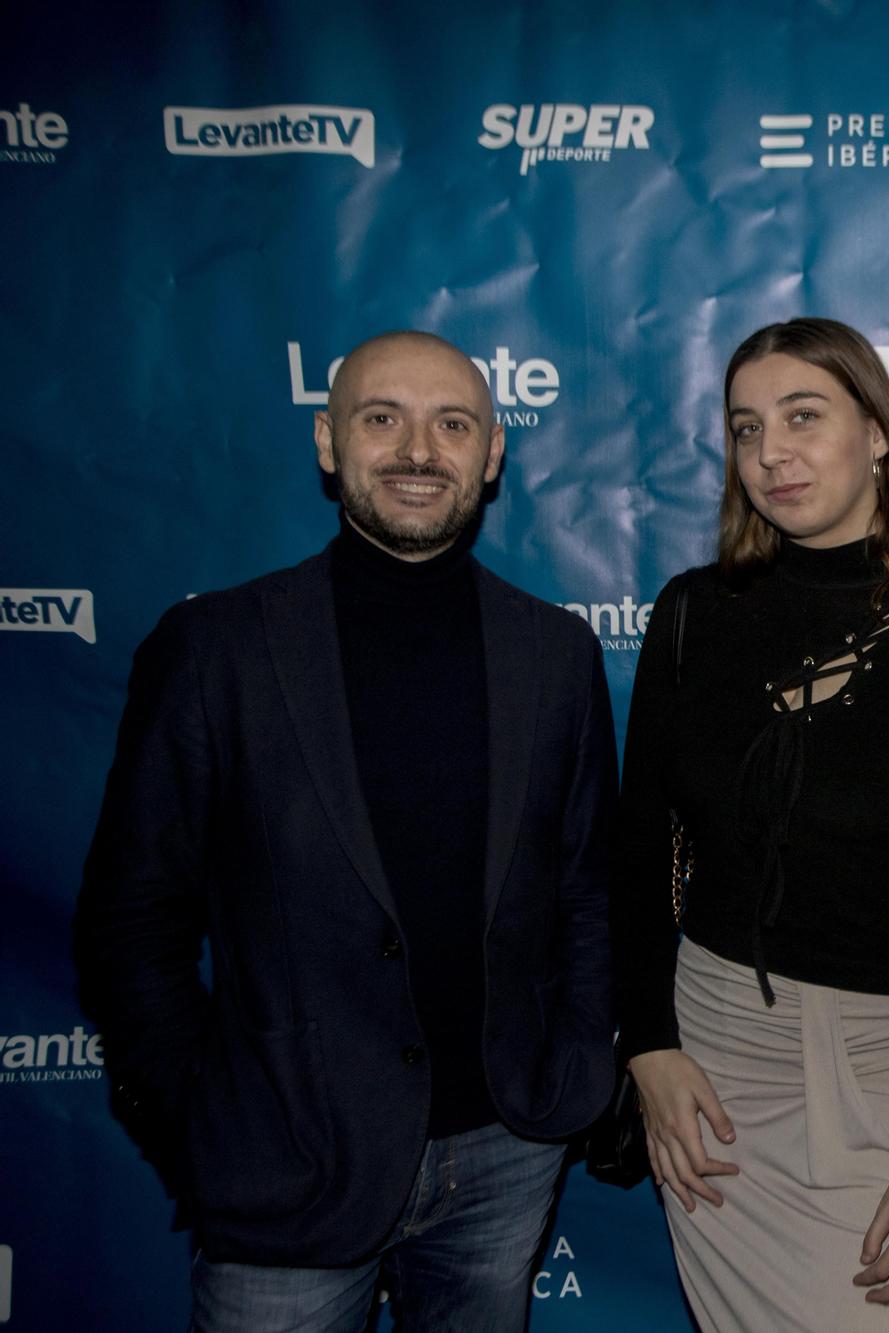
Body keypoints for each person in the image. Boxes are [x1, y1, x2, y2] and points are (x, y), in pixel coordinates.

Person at [73, 330, 618, 1330]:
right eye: (383, 419)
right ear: (328, 443)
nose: (420, 450)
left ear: (492, 454)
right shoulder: (215, 649)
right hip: (282, 1158)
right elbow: (131, 917)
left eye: (452, 423)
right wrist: (199, 1126)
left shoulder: (555, 652)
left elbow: (586, 887)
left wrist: (572, 1068)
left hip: (504, 1155)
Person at [613, 317, 889, 1331]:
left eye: (804, 416)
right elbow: (631, 853)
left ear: (877, 431)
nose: (772, 453)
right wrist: (650, 1048)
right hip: (709, 1057)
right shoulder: (688, 614)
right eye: (746, 429)